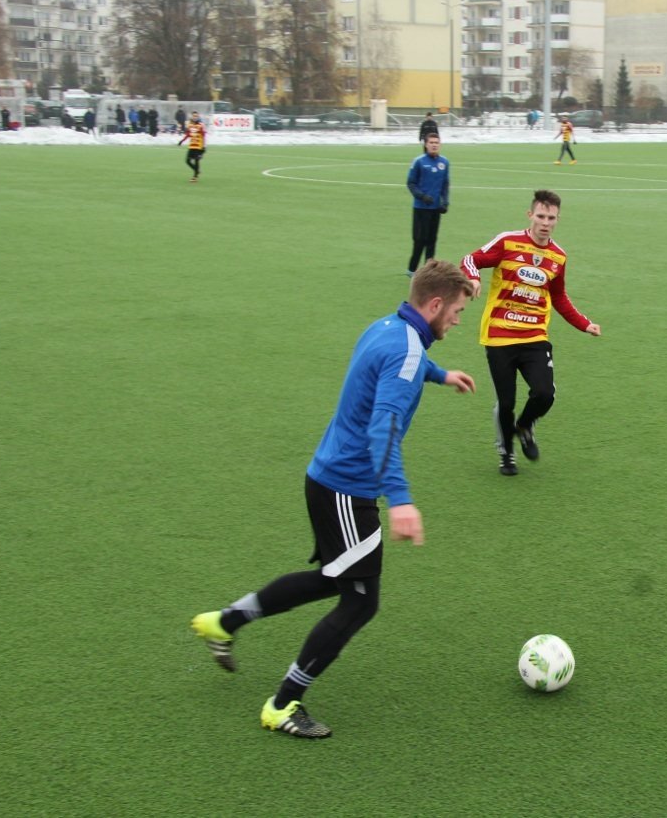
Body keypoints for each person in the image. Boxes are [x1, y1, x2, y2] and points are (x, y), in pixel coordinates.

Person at [190, 260, 476, 739]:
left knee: (333, 579)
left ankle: (224, 622)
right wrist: (400, 500)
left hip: (326, 477)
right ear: (434, 305)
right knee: (360, 601)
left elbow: (402, 363)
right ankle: (282, 704)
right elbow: (383, 429)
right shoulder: (406, 352)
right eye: (457, 311)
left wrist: (440, 374)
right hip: (348, 488)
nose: (458, 320)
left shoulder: (388, 327)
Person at [460, 189, 601, 476]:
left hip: (535, 336)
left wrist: (584, 323)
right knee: (507, 402)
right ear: (530, 215)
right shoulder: (508, 242)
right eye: (541, 216)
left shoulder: (558, 257)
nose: (545, 223)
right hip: (499, 335)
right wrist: (472, 279)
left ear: (558, 219)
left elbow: (558, 297)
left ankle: (524, 426)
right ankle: (506, 454)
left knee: (545, 394)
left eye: (551, 218)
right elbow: (470, 260)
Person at [406, 132, 450, 275]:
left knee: (432, 240)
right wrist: (422, 196)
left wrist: (445, 202)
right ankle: (412, 269)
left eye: (436, 142)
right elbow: (411, 183)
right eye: (431, 142)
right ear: (426, 144)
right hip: (421, 208)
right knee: (420, 240)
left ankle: (428, 270)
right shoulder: (419, 161)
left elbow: (445, 184)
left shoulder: (444, 162)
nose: (434, 145)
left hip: (435, 208)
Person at [177, 110, 207, 182]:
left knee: (196, 160)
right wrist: (181, 141)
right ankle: (197, 170)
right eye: (194, 116)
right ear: (192, 116)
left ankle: (195, 176)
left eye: (196, 116)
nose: (195, 117)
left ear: (198, 117)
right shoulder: (190, 125)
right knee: (187, 161)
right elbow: (188, 135)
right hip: (191, 146)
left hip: (198, 146)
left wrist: (204, 146)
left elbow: (204, 136)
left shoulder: (201, 125)